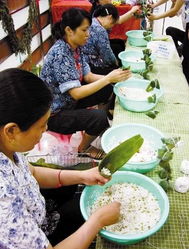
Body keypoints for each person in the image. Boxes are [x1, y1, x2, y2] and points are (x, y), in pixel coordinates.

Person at [0, 68, 121, 249]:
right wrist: (98, 221)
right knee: (85, 214)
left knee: (77, 194)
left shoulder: (7, 148)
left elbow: (32, 172)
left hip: (41, 215)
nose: (46, 129)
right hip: (42, 240)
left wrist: (82, 176)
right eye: (41, 126)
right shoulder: (3, 202)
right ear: (11, 131)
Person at [40, 8, 131, 159]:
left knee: (107, 88)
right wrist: (108, 78)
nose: (88, 33)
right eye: (84, 30)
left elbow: (87, 76)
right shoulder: (60, 54)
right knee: (100, 117)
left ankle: (94, 128)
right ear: (69, 30)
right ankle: (84, 148)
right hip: (54, 113)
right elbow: (76, 93)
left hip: (69, 101)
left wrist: (113, 78)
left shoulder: (76, 47)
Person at [148, 0, 189, 86]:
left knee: (187, 60)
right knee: (170, 30)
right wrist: (154, 6)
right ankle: (179, 53)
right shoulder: (184, 4)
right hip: (186, 31)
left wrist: (155, 17)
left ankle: (186, 85)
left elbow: (174, 10)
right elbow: (172, 13)